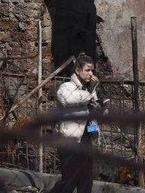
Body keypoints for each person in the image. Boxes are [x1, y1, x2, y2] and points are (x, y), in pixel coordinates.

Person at [50, 53, 107, 193]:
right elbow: (67, 99)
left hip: (86, 140)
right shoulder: (66, 87)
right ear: (77, 70)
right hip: (69, 140)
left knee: (86, 182)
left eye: (92, 70)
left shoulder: (89, 90)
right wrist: (89, 96)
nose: (91, 73)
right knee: (69, 181)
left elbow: (96, 113)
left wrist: (101, 107)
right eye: (87, 70)